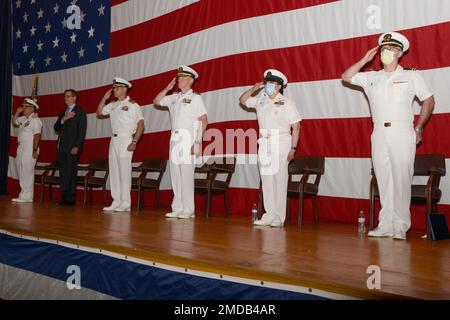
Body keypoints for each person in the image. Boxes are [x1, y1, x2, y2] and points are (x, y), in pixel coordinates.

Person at [342, 31, 435, 240]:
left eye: (392, 49)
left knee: (401, 178)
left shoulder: (411, 76)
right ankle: (385, 224)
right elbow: (346, 76)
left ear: (400, 53)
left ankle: (401, 225)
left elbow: (428, 101)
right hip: (379, 132)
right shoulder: (372, 77)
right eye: (384, 49)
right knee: (383, 179)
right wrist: (364, 60)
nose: (387, 52)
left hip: (402, 130)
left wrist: (419, 127)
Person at [239, 69, 301, 227]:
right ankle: (269, 214)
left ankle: (279, 217)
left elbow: (296, 126)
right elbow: (242, 100)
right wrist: (253, 89)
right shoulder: (261, 99)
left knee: (279, 179)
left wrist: (293, 148)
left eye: (272, 83)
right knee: (266, 179)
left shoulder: (286, 102)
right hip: (264, 142)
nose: (268, 85)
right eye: (267, 82)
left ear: (279, 86)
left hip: (281, 142)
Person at [153, 65, 208, 219]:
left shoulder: (196, 98)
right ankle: (177, 207)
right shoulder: (174, 97)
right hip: (174, 138)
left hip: (188, 137)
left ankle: (188, 209)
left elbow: (204, 120)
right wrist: (167, 88)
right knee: (175, 174)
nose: (179, 80)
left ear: (191, 80)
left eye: (183, 77)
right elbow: (156, 101)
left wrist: (197, 142)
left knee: (186, 174)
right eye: (179, 77)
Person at [97, 77, 145, 212]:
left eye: (117, 88)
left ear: (124, 89)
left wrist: (134, 141)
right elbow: (99, 112)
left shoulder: (133, 104)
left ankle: (125, 203)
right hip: (114, 140)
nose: (114, 90)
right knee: (114, 171)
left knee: (124, 171)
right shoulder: (112, 104)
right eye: (114, 88)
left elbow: (141, 124)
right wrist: (104, 99)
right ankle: (116, 200)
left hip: (126, 139)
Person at [54, 89, 87, 206]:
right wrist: (64, 119)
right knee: (63, 173)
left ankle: (70, 198)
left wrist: (77, 146)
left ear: (74, 98)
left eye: (68, 96)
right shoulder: (63, 111)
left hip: (72, 147)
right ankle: (66, 198)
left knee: (71, 172)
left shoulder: (80, 111)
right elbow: (56, 127)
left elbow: (82, 131)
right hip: (61, 147)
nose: (66, 99)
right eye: (64, 97)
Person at [11, 98, 42, 203]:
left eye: (25, 107)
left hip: (30, 147)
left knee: (27, 171)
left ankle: (27, 196)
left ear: (32, 109)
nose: (23, 108)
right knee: (21, 170)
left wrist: (34, 150)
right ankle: (24, 194)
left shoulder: (35, 120)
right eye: (23, 106)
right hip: (21, 147)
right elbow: (15, 122)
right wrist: (17, 112)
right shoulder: (24, 119)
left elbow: (37, 135)